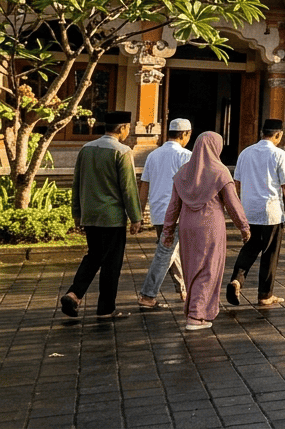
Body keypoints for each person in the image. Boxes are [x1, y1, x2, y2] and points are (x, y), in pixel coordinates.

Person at [161, 132, 250, 330]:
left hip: (186, 226)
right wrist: (244, 227)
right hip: (210, 226)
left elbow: (173, 206)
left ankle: (194, 309)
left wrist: (167, 232)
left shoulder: (183, 172)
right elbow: (233, 204)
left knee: (191, 268)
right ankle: (197, 315)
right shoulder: (220, 172)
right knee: (208, 269)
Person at [60, 111, 142, 320]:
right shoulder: (122, 151)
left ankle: (74, 294)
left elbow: (76, 182)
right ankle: (106, 308)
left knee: (94, 255)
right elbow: (128, 188)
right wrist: (135, 217)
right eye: (128, 128)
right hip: (112, 216)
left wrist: (76, 212)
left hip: (90, 214)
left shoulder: (86, 149)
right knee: (111, 262)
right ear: (123, 128)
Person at [227, 119, 285, 307]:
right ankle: (265, 295)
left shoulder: (245, 153)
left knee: (249, 249)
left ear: (262, 132)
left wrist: (239, 209)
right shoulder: (279, 155)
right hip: (271, 212)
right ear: (278, 135)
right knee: (270, 253)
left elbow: (236, 184)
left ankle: (236, 280)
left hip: (249, 210)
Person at [136, 118, 192, 310]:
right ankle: (147, 294)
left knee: (169, 251)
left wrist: (139, 213)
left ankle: (184, 289)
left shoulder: (153, 155)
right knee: (165, 253)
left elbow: (144, 186)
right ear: (185, 134)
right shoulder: (187, 156)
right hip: (177, 214)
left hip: (159, 212)